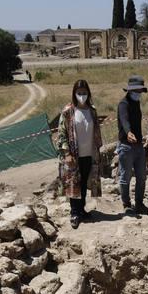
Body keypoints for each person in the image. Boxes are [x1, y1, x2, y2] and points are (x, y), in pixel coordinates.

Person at [57, 79, 103, 229]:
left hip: (88, 154)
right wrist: (66, 153)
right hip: (73, 155)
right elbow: (61, 133)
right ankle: (74, 213)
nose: (81, 95)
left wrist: (98, 148)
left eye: (84, 93)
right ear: (74, 93)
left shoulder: (92, 110)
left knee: (83, 183)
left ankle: (81, 210)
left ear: (88, 93)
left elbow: (96, 131)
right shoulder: (68, 111)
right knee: (73, 184)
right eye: (79, 93)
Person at [117, 76, 148, 215]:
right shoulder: (123, 104)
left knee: (141, 176)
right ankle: (126, 204)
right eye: (136, 91)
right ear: (130, 90)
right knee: (126, 176)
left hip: (139, 146)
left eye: (140, 91)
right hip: (126, 145)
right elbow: (124, 120)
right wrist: (128, 132)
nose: (138, 93)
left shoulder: (136, 103)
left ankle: (139, 203)